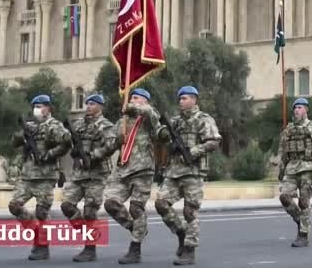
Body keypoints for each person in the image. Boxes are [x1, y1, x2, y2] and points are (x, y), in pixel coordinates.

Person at [155, 86, 222, 265]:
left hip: (193, 172)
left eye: (185, 98)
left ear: (194, 100)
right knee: (161, 203)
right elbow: (160, 136)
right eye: (180, 99)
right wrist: (162, 132)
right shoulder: (175, 121)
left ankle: (189, 251)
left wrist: (193, 151)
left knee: (189, 211)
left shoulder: (203, 120)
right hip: (174, 172)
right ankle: (181, 232)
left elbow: (214, 141)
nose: (181, 101)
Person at [104, 88, 164, 264]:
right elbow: (109, 145)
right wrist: (116, 140)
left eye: (136, 98)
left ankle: (135, 249)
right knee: (110, 203)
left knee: (136, 208)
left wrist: (137, 108)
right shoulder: (121, 121)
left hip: (143, 170)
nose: (131, 100)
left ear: (145, 101)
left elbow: (153, 116)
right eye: (131, 98)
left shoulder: (148, 118)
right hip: (122, 170)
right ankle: (135, 227)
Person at [8, 94, 71, 261]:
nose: (37, 109)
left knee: (42, 212)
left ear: (48, 108)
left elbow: (66, 143)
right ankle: (35, 230)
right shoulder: (29, 125)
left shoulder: (54, 125)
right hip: (27, 175)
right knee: (14, 205)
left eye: (40, 106)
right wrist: (23, 133)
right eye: (35, 106)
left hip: (45, 176)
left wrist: (49, 154)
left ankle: (42, 246)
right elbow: (14, 143)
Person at [60, 94, 117, 262]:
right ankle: (88, 232)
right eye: (88, 104)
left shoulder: (106, 125)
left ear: (100, 106)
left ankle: (89, 249)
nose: (89, 106)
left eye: (92, 104)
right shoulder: (79, 124)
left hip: (97, 174)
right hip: (79, 173)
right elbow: (69, 141)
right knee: (67, 205)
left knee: (90, 211)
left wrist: (93, 155)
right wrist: (73, 148)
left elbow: (111, 146)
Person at [276, 97, 312, 247]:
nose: (296, 110)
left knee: (304, 201)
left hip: (307, 168)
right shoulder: (288, 130)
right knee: (284, 197)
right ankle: (300, 219)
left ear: (306, 110)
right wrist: (281, 170)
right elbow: (283, 152)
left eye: (300, 107)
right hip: (291, 168)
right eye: (295, 108)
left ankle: (303, 234)